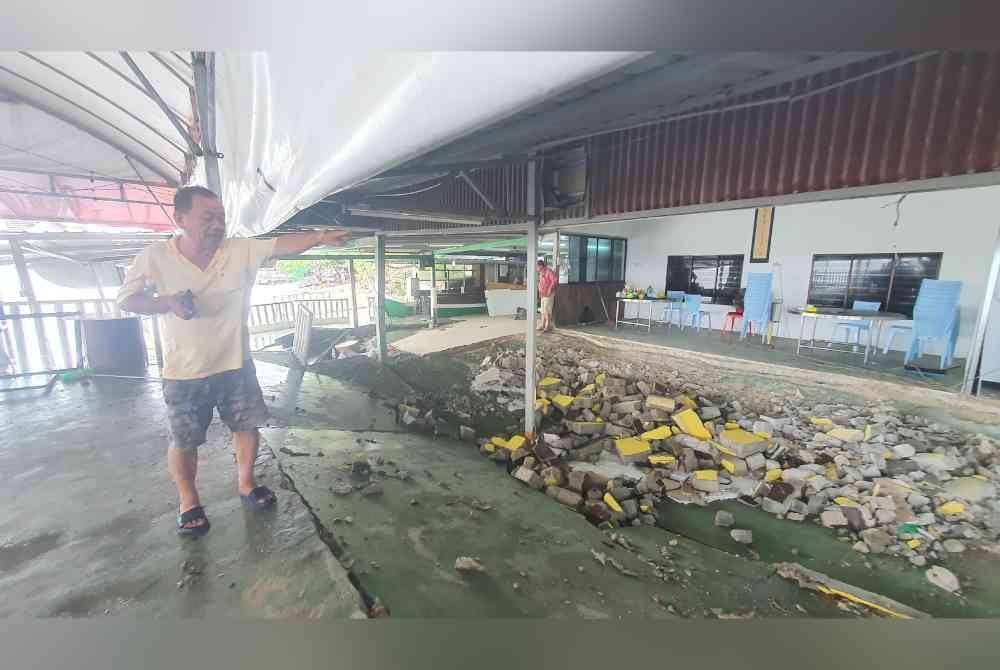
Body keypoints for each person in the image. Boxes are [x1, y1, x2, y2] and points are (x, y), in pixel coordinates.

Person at [118, 185, 349, 537]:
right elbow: (127, 300)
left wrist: (318, 237)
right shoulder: (154, 257)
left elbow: (281, 244)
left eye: (221, 218)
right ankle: (189, 501)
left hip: (236, 364)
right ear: (180, 219)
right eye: (207, 217)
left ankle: (246, 483)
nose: (217, 225)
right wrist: (166, 303)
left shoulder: (238, 250)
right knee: (184, 440)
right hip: (184, 371)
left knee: (246, 427)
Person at [537, 258, 558, 333]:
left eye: (537, 267)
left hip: (549, 294)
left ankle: (547, 325)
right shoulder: (541, 273)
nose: (537, 269)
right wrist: (539, 292)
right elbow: (540, 283)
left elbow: (554, 280)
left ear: (541, 266)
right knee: (542, 310)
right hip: (543, 294)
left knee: (546, 309)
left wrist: (550, 289)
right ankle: (542, 324)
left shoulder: (549, 271)